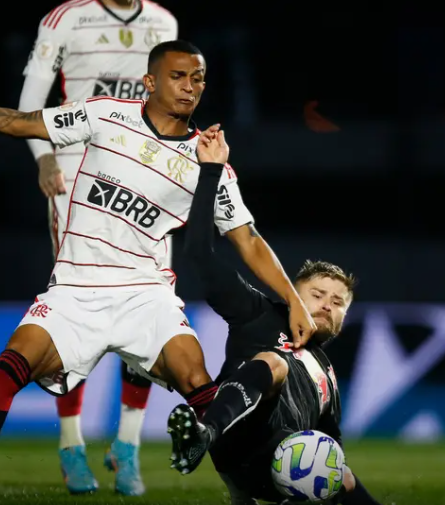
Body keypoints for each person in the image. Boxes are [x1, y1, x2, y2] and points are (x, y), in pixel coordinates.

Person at [0, 39, 316, 505]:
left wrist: (294, 300)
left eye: (198, 78)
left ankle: (242, 492)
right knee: (6, 371)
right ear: (150, 81)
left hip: (146, 296)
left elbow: (247, 240)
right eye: (178, 76)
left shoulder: (209, 160)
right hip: (76, 289)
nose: (190, 87)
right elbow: (20, 124)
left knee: (199, 386)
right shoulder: (105, 114)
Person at [164, 130, 381, 505]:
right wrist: (210, 172)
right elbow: (199, 254)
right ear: (293, 293)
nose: (328, 304)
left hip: (277, 470)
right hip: (235, 442)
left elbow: (333, 449)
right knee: (273, 363)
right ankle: (202, 435)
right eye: (317, 294)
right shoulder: (259, 313)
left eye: (338, 301)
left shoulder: (327, 374)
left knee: (339, 471)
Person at [18, 0, 178, 495]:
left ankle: (127, 447)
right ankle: (71, 445)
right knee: (76, 309)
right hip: (74, 174)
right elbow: (31, 98)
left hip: (146, 177)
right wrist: (43, 157)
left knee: (150, 309)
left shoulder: (164, 21)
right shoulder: (66, 18)